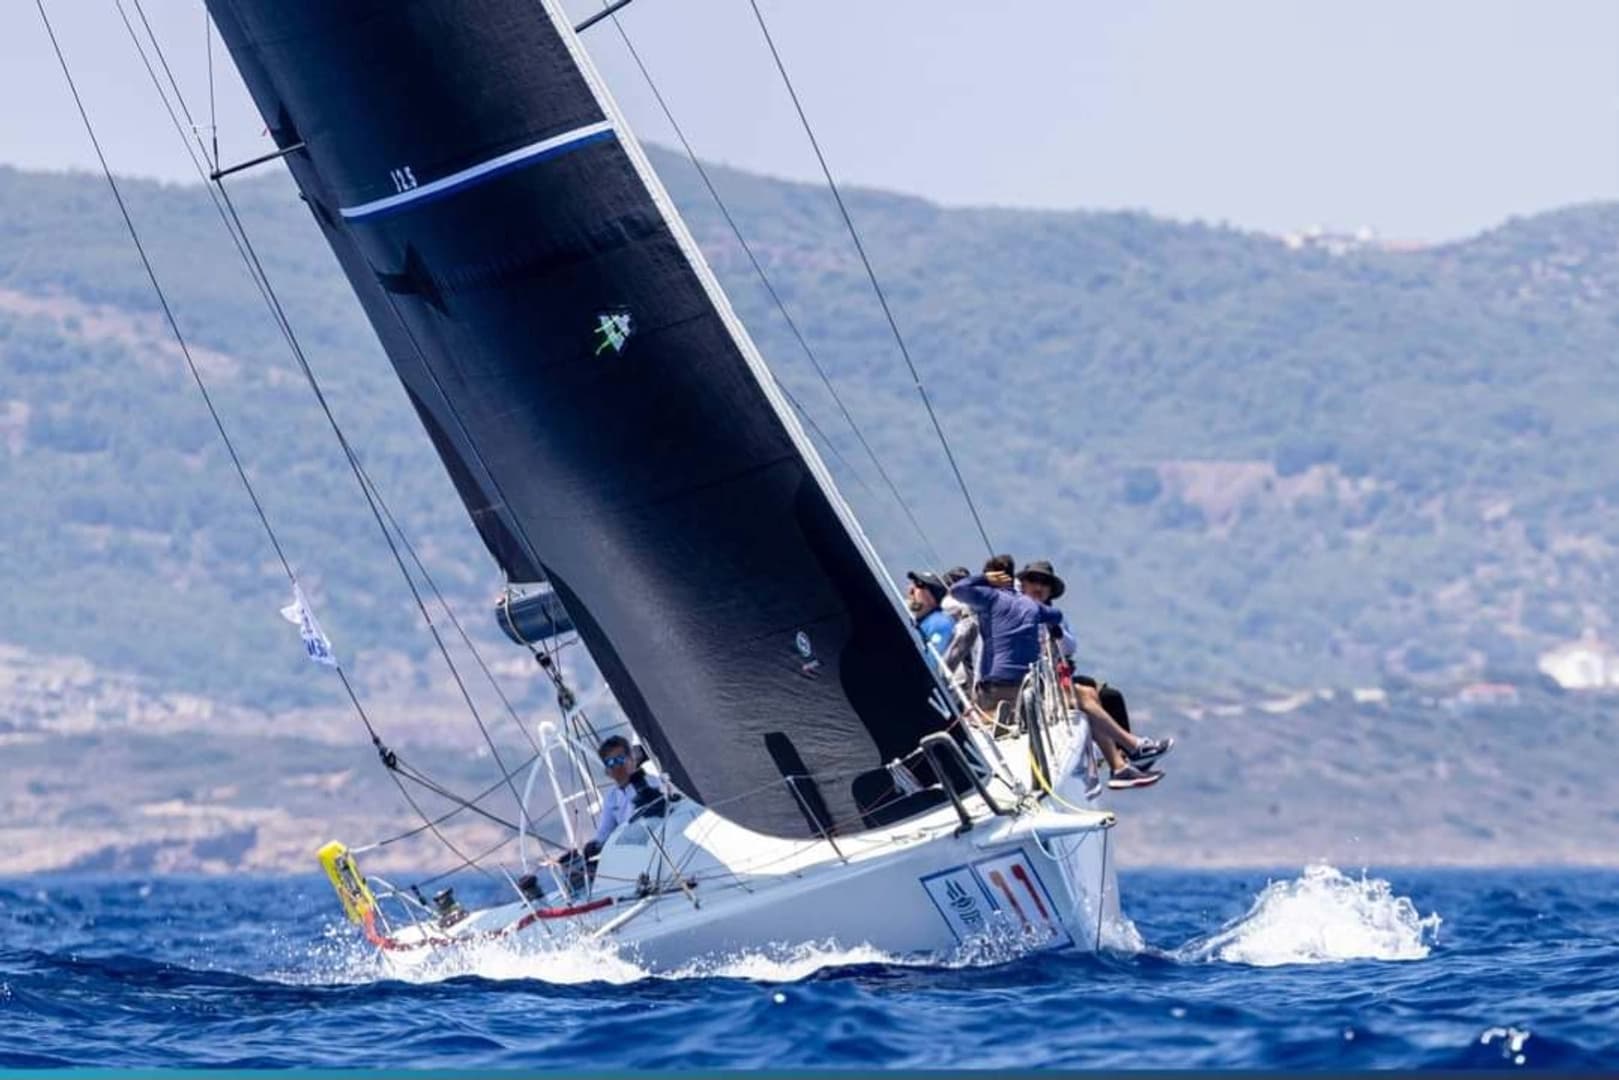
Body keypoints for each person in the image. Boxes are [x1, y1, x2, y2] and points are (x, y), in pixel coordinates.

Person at [1015, 558, 1174, 789]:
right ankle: (1131, 751)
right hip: (1032, 683)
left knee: (1105, 695)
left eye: (1044, 583)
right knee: (1086, 696)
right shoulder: (1017, 611)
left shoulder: (1054, 616)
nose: (1039, 587)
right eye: (1033, 581)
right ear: (1024, 584)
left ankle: (1122, 762)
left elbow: (1070, 647)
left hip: (1054, 678)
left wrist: (1056, 630)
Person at [948, 554, 1065, 714]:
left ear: (995, 578)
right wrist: (1052, 625)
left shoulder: (990, 597)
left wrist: (984, 579)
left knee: (983, 720)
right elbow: (1057, 615)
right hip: (1029, 685)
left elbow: (957, 589)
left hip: (996, 685)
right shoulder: (1032, 605)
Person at [568, 735, 665, 867]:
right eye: (610, 763)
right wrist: (594, 845)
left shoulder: (654, 783)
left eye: (620, 759)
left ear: (632, 759)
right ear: (607, 771)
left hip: (661, 846)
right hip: (633, 856)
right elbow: (604, 832)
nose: (617, 767)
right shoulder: (611, 798)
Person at [906, 570, 956, 674]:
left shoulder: (940, 623)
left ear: (931, 597)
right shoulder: (918, 623)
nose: (910, 590)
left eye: (917, 585)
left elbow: (932, 666)